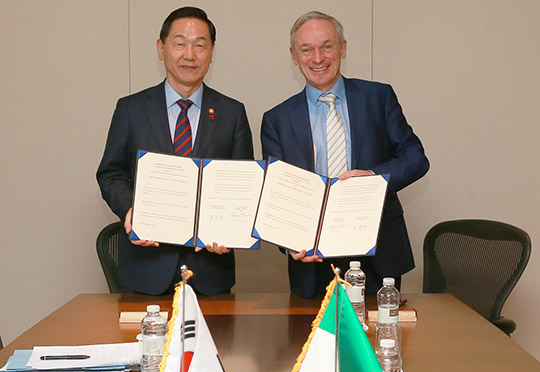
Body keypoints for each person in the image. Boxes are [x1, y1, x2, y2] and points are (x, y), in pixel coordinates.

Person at [261, 11, 429, 298]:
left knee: (378, 340)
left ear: (343, 48)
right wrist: (287, 241)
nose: (318, 58)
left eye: (327, 46)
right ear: (294, 55)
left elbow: (415, 158)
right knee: (311, 339)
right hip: (310, 258)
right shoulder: (276, 119)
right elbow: (276, 193)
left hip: (377, 252)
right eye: (307, 49)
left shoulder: (378, 97)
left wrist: (373, 179)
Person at [97, 7, 253, 295]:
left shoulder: (232, 113)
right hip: (146, 272)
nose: (189, 55)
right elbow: (111, 173)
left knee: (218, 341)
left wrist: (232, 227)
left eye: (200, 45)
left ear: (212, 51)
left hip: (211, 273)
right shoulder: (131, 109)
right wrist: (132, 210)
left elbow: (242, 185)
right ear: (161, 48)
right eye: (180, 44)